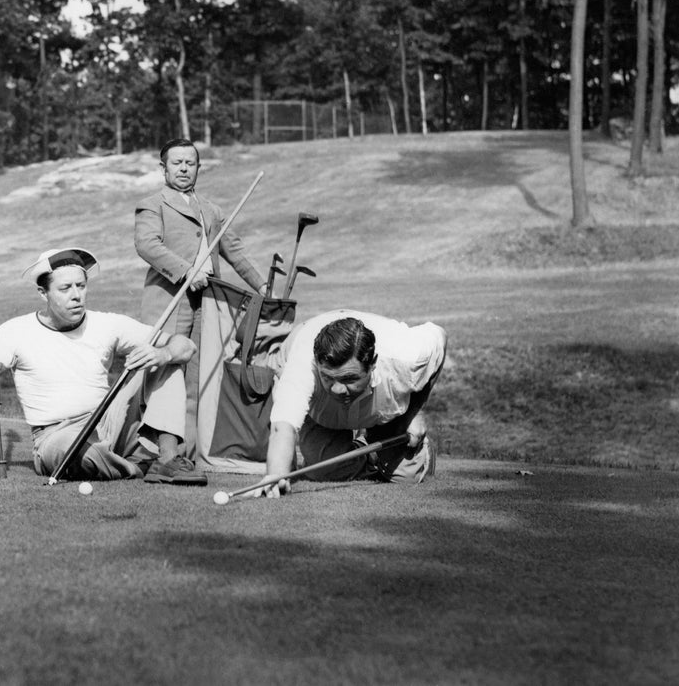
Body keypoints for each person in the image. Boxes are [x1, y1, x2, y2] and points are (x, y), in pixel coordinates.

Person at [0, 246, 207, 485]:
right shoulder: (15, 332)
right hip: (55, 436)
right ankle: (135, 463)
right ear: (43, 293)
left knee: (166, 359)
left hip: (108, 422)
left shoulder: (107, 324)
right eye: (65, 289)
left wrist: (164, 354)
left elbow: (185, 346)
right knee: (76, 451)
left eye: (81, 286)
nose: (76, 296)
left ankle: (167, 461)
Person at [257, 310, 447, 496]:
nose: (337, 389)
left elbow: (440, 336)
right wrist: (275, 475)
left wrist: (415, 411)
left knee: (407, 476)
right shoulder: (302, 365)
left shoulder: (407, 355)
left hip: (380, 401)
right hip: (322, 410)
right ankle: (369, 454)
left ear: (372, 363)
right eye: (328, 378)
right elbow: (283, 426)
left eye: (349, 378)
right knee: (323, 470)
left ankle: (395, 449)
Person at [134, 138, 266, 341]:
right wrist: (187, 271)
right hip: (171, 301)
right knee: (166, 366)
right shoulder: (152, 205)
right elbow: (147, 245)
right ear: (164, 168)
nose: (184, 169)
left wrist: (262, 285)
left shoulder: (212, 210)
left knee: (202, 368)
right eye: (177, 163)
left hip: (208, 301)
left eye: (190, 163)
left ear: (198, 168)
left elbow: (236, 251)